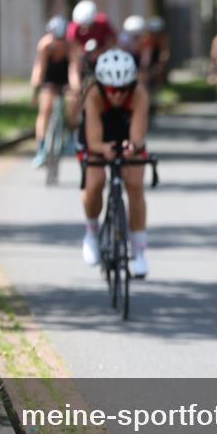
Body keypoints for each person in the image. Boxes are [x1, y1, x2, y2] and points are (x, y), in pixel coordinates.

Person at [78, 49, 151, 279]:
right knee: (95, 182)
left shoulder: (139, 93)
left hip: (126, 133)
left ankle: (138, 253)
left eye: (123, 89)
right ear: (102, 86)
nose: (118, 95)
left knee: (135, 184)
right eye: (112, 90)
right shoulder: (93, 94)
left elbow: (138, 136)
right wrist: (102, 149)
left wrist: (132, 146)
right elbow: (93, 141)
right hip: (98, 136)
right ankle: (91, 233)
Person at [30, 16, 78, 167]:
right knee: (45, 109)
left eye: (62, 39)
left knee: (73, 102)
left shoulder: (71, 47)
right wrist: (35, 89)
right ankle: (41, 147)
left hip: (65, 78)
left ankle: (71, 136)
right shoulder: (45, 45)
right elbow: (39, 68)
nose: (59, 42)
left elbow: (73, 70)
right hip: (49, 78)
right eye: (57, 39)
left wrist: (75, 88)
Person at [67, 0, 116, 94]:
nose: (85, 29)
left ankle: (111, 88)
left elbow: (112, 41)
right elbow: (73, 46)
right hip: (83, 53)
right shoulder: (73, 27)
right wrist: (82, 54)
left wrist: (100, 52)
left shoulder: (103, 22)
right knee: (74, 66)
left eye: (88, 26)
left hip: (102, 52)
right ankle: (77, 92)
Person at [119, 14, 151, 88]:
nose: (135, 37)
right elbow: (122, 52)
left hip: (139, 56)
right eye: (133, 35)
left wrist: (143, 68)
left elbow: (146, 55)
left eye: (137, 35)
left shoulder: (145, 38)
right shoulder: (124, 38)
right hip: (128, 56)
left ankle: (142, 87)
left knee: (143, 73)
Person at [145, 16, 171, 99]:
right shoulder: (148, 39)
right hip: (151, 58)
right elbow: (147, 53)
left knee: (160, 73)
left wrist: (160, 65)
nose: (155, 34)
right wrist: (146, 66)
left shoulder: (163, 38)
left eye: (156, 32)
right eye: (153, 32)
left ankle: (160, 92)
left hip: (158, 59)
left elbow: (164, 52)